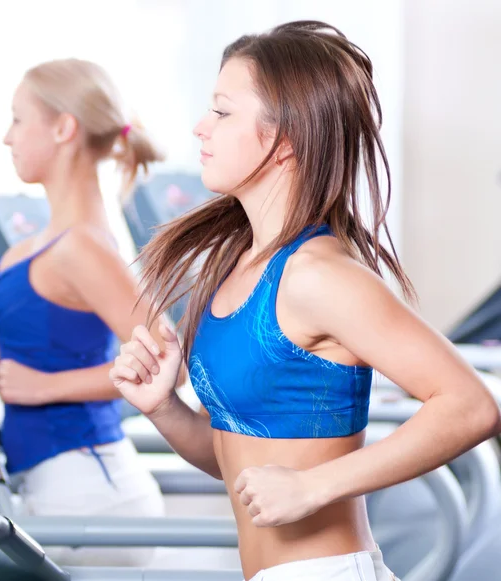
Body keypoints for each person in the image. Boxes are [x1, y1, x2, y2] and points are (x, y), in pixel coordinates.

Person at [109, 21, 501, 581]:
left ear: (285, 139)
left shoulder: (318, 275)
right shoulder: (240, 265)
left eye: (222, 112)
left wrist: (316, 485)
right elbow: (240, 465)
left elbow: (471, 406)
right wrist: (166, 409)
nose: (201, 128)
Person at [0, 58, 167, 566]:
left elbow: (162, 356)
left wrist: (44, 388)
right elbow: (47, 354)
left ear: (63, 128)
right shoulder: (50, 242)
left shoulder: (82, 247)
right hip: (59, 485)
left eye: (17, 119)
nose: (8, 138)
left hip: (95, 493)